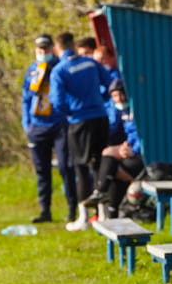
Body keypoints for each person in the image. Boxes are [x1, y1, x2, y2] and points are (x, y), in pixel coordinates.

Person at [49, 32, 113, 231]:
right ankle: (103, 215)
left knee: (81, 168)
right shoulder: (90, 63)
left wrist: (71, 112)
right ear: (74, 46)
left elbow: (57, 101)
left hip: (79, 122)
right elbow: (108, 81)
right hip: (100, 118)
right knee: (99, 165)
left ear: (57, 49)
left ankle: (83, 218)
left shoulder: (59, 70)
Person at [21, 33, 77, 223]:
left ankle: (72, 208)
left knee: (65, 167)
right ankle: (45, 210)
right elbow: (26, 98)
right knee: (41, 170)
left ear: (53, 48)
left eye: (46, 49)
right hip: (37, 126)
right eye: (39, 49)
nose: (43, 52)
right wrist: (26, 124)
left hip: (59, 124)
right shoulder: (31, 71)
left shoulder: (60, 67)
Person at [84, 79, 144, 217]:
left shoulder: (138, 110)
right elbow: (112, 128)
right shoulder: (120, 110)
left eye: (121, 95)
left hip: (142, 155)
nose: (119, 99)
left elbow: (143, 134)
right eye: (115, 96)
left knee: (112, 171)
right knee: (108, 159)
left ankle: (102, 193)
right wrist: (125, 146)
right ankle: (109, 207)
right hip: (129, 148)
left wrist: (133, 149)